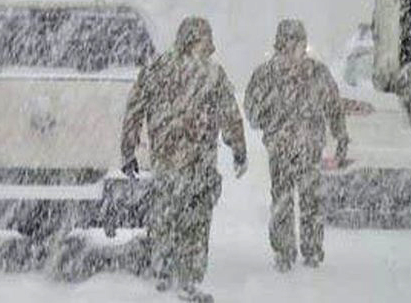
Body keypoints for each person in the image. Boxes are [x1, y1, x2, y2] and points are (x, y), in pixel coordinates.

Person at [121, 16, 247, 303]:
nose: (207, 47)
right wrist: (238, 148)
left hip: (182, 162)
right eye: (203, 40)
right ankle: (179, 275)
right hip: (186, 161)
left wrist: (128, 149)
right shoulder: (206, 73)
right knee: (183, 219)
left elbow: (134, 109)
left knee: (181, 218)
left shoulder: (159, 69)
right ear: (193, 40)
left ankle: (175, 274)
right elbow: (229, 114)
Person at [244, 19, 350, 272]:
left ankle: (311, 250)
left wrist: (341, 135)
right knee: (282, 200)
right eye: (288, 43)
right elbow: (251, 108)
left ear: (303, 44)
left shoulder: (317, 73)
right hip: (281, 149)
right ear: (280, 45)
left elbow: (333, 105)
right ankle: (284, 252)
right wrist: (269, 122)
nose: (293, 49)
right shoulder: (266, 74)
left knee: (309, 200)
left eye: (297, 42)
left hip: (308, 148)